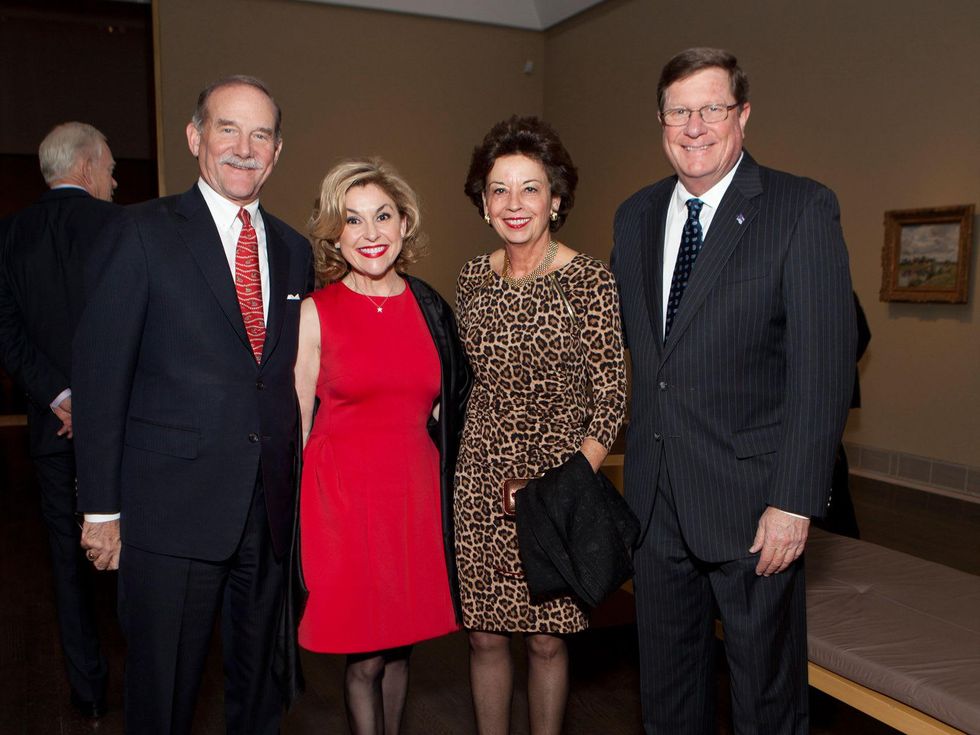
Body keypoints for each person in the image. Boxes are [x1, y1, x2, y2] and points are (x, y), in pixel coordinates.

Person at [611, 47, 856, 733]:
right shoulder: (635, 215)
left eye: (712, 108)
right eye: (679, 112)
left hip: (755, 506)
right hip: (656, 504)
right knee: (666, 695)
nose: (695, 127)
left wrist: (794, 500)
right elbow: (628, 346)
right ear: (661, 122)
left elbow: (823, 369)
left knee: (765, 700)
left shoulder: (799, 207)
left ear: (742, 115)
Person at [71, 76, 313, 734]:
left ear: (277, 151)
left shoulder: (293, 250)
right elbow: (100, 377)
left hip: (267, 516)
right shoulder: (139, 232)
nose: (244, 148)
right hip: (169, 515)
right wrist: (102, 510)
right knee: (164, 696)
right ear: (194, 137)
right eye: (227, 129)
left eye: (260, 134)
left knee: (260, 697)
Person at [456, 116, 626, 735]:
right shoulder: (472, 279)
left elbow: (612, 396)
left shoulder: (589, 280)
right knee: (483, 636)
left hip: (557, 481)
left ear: (555, 199)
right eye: (499, 189)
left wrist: (565, 486)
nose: (514, 203)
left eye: (530, 188)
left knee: (547, 640)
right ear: (484, 204)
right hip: (479, 481)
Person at [295, 158, 470, 734]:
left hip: (413, 500)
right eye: (352, 219)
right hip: (342, 505)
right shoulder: (316, 313)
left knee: (400, 648)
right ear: (334, 233)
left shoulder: (430, 308)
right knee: (365, 655)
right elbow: (297, 423)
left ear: (404, 224)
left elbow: (449, 408)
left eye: (383, 216)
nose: (370, 233)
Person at [0, 121, 118, 718]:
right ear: (89, 166)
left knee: (66, 565)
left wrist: (60, 395)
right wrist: (95, 402)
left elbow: (5, 332)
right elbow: (134, 331)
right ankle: (152, 686)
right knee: (135, 557)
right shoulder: (121, 227)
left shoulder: (8, 235)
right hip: (123, 431)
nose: (115, 183)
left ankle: (88, 695)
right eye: (112, 170)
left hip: (52, 428)